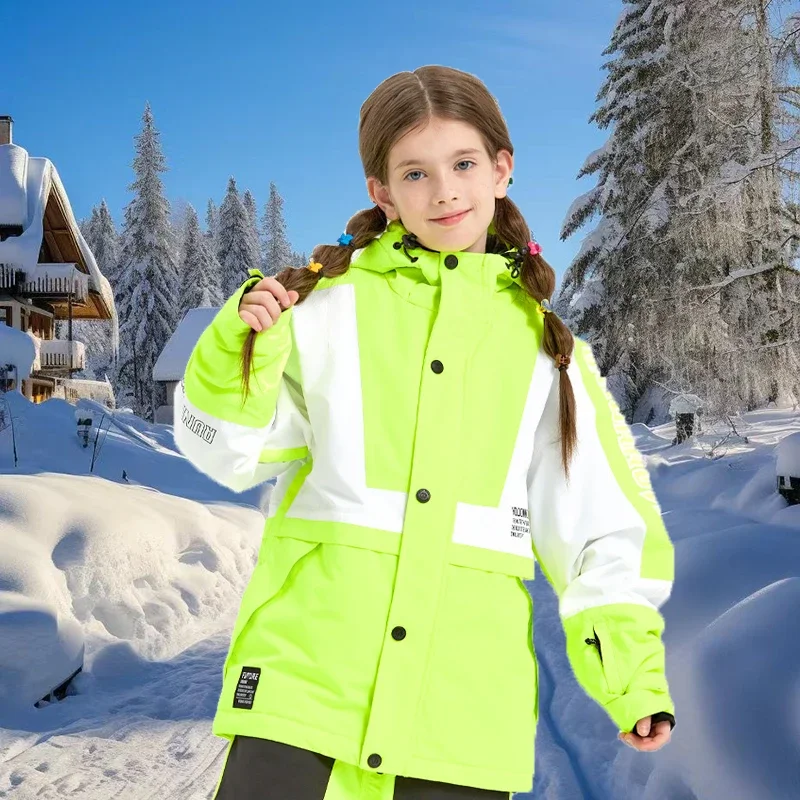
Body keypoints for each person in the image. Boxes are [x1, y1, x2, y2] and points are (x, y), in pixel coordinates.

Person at [174, 64, 676, 800]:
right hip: (307, 678)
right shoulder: (322, 308)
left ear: (502, 169)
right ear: (381, 190)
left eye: (463, 164)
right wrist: (236, 348)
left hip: (462, 706)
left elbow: (599, 524)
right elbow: (223, 450)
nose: (443, 191)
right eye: (415, 172)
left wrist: (630, 675)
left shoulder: (547, 350)